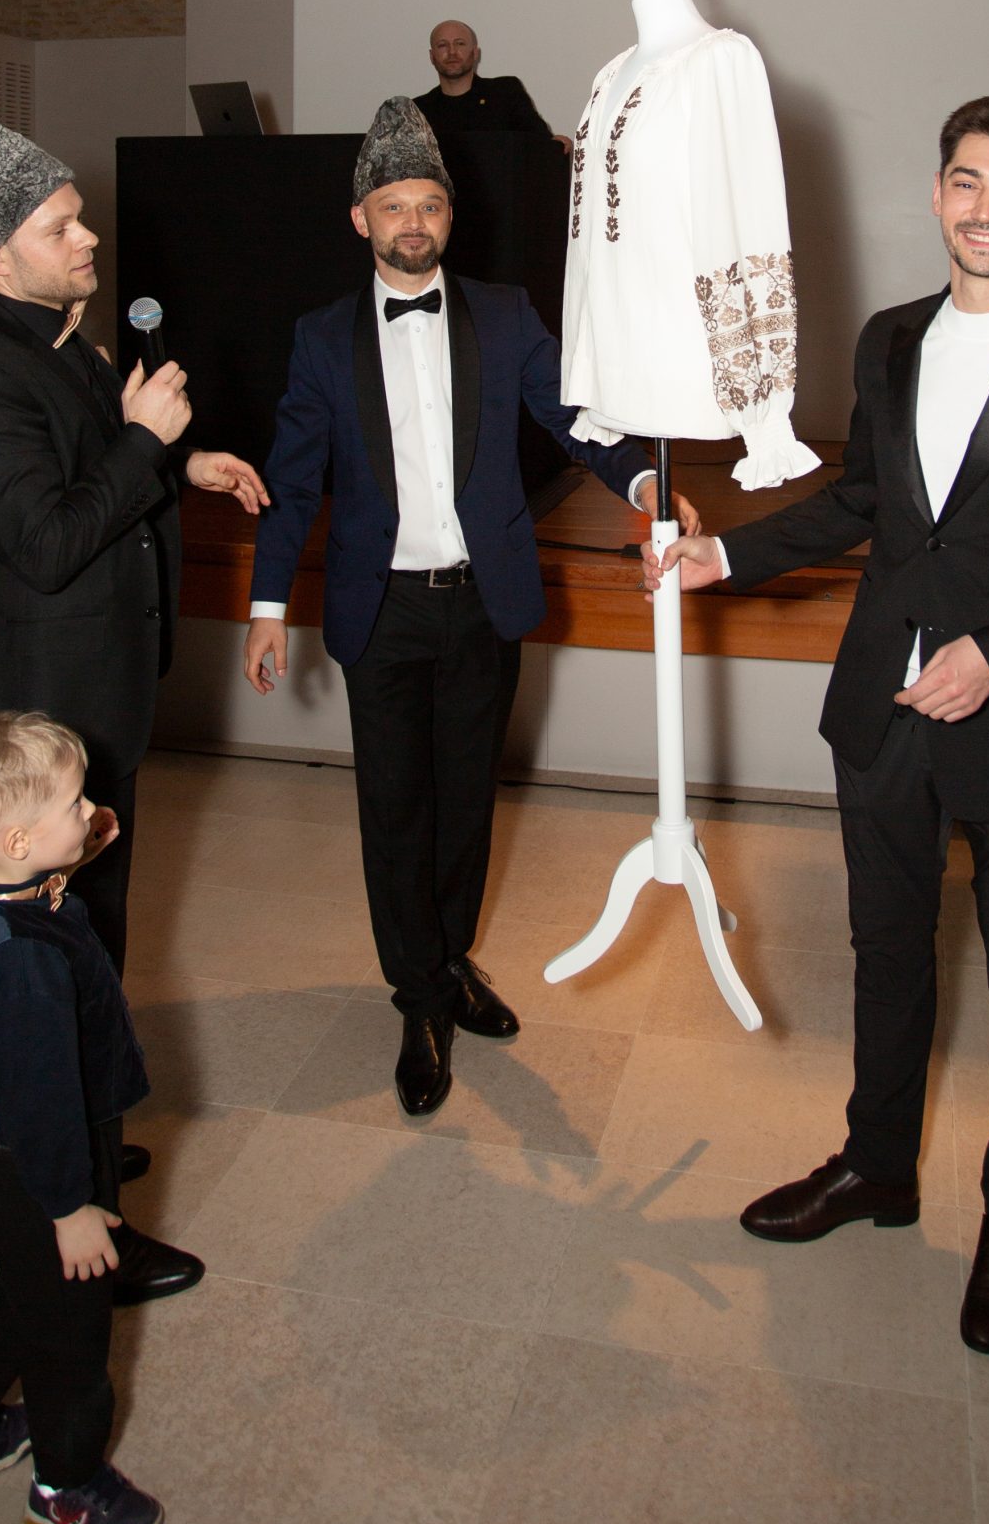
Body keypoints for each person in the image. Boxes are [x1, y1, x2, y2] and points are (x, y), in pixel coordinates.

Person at [651, 97, 989, 1353]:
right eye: (967, 182)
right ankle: (877, 1165)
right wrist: (727, 554)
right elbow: (866, 501)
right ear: (938, 193)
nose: (987, 209)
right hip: (881, 710)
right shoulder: (890, 338)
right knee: (886, 949)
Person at [244, 97, 696, 1117]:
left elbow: (571, 416)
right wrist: (268, 603)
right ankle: (417, 998)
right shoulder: (321, 338)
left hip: (482, 602)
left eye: (430, 205)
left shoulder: (503, 314)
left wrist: (641, 483)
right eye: (394, 206)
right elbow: (295, 480)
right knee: (396, 811)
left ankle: (449, 964)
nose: (413, 223)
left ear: (450, 216)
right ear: (360, 219)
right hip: (380, 611)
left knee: (466, 805)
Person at [0, 104, 266, 1299]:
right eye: (60, 225)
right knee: (51, 968)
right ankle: (72, 1214)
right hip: (41, 729)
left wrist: (179, 461)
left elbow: (89, 471)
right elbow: (53, 541)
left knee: (90, 955)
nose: (89, 236)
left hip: (90, 703)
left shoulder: (57, 340)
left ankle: (87, 1145)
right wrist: (144, 442)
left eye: (77, 215)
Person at [0, 711, 165, 1524]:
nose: (90, 809)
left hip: (15, 1157)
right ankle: (68, 1486)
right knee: (73, 1338)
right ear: (20, 840)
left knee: (25, 1299)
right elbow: (42, 1099)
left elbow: (27, 1090)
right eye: (74, 803)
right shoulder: (25, 966)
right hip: (48, 1164)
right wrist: (71, 1208)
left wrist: (76, 851)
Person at [414, 19, 551, 138]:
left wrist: (557, 144)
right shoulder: (417, 111)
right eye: (442, 45)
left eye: (460, 43)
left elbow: (541, 143)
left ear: (475, 53)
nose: (452, 52)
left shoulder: (505, 93)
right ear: (432, 56)